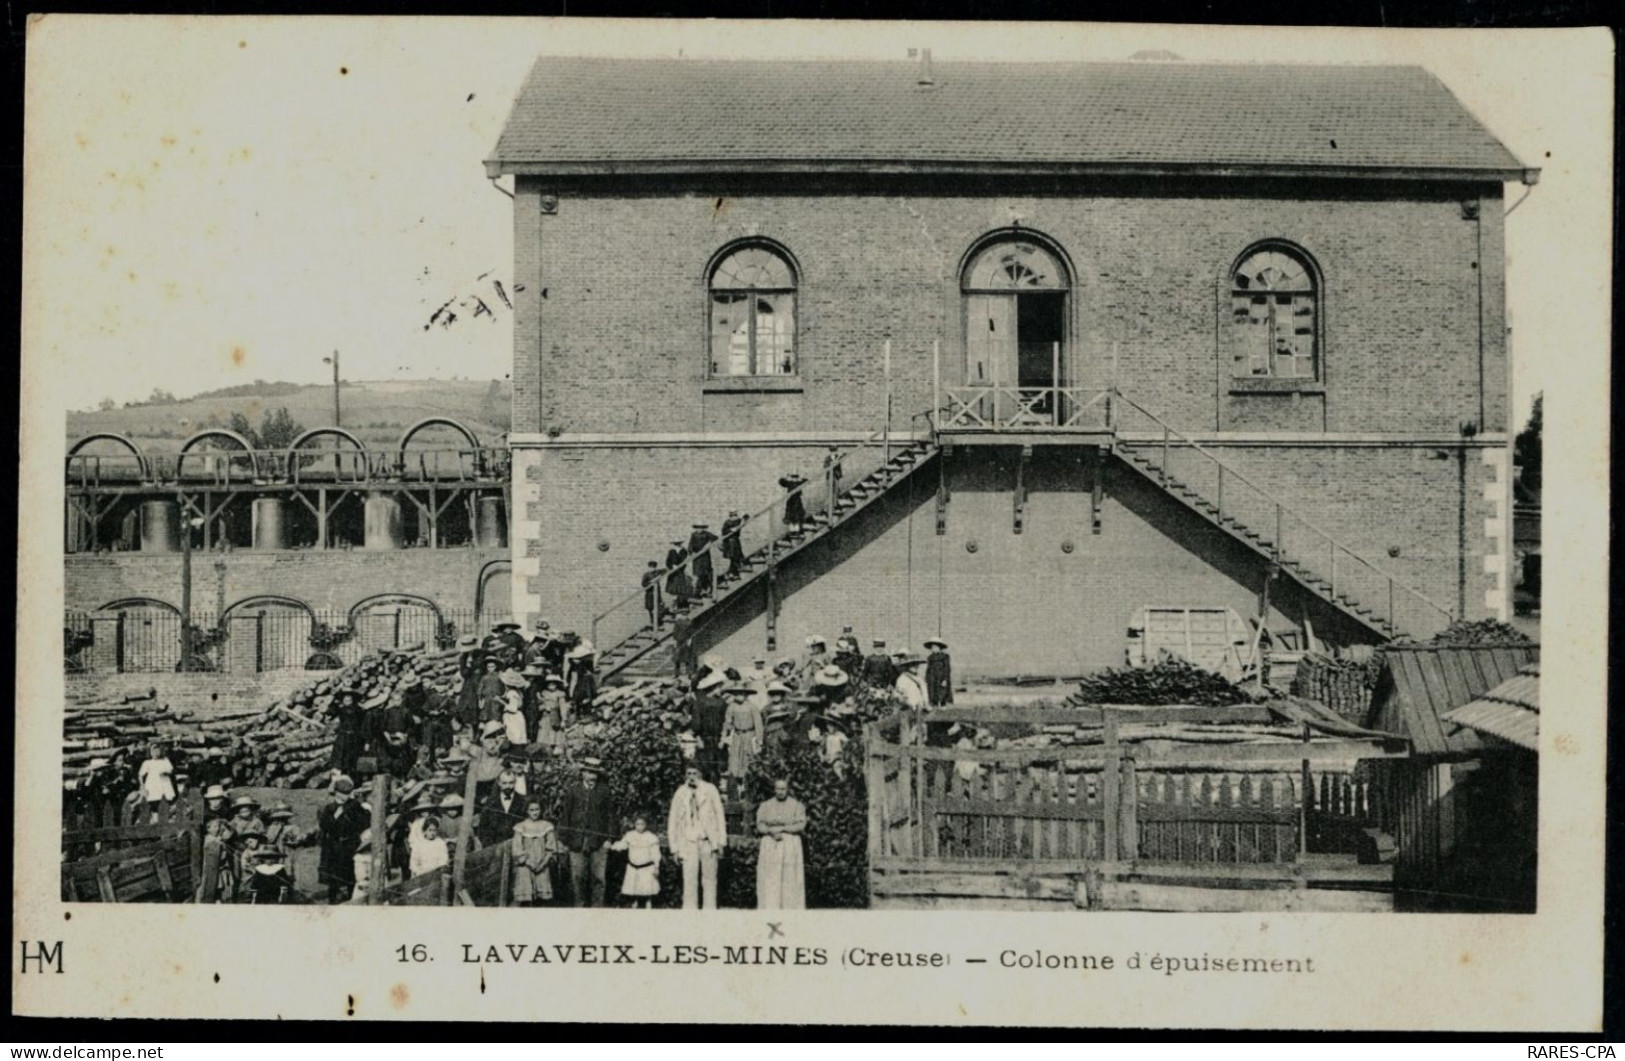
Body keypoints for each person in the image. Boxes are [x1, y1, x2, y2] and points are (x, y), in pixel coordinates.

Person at [667, 764, 727, 910]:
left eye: (695, 773)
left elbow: (720, 815)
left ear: (700, 774)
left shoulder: (710, 790)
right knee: (689, 879)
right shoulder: (680, 793)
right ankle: (689, 913)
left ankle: (709, 912)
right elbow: (673, 820)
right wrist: (674, 848)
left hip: (707, 840)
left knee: (710, 879)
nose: (691, 777)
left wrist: (720, 842)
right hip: (688, 841)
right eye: (689, 773)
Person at [556, 760, 616, 907]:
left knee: (598, 878)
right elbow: (566, 816)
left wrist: (609, 839)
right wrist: (562, 840)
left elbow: (611, 817)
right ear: (582, 773)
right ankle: (579, 907)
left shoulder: (604, 791)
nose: (591, 775)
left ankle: (597, 908)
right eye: (588, 772)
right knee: (577, 877)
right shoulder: (573, 790)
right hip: (576, 841)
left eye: (594, 772)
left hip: (598, 841)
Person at [755, 778, 808, 910]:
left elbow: (801, 824)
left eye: (783, 789)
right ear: (774, 789)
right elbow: (760, 824)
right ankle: (770, 907)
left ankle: (790, 908)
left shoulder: (796, 805)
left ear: (787, 789)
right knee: (771, 877)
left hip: (789, 844)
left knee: (789, 878)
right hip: (770, 843)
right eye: (778, 789)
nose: (780, 792)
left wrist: (783, 829)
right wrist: (770, 832)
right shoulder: (766, 805)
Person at [317, 776, 369, 904]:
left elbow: (365, 821)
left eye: (347, 793)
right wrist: (335, 816)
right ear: (336, 792)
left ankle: (352, 899)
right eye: (342, 793)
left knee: (351, 874)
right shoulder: (328, 807)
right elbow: (324, 826)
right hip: (333, 846)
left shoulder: (355, 805)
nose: (345, 796)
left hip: (350, 845)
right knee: (333, 878)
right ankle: (332, 901)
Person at [510, 798, 560, 907]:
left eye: (537, 809)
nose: (534, 812)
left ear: (541, 810)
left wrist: (543, 863)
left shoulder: (547, 826)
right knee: (526, 897)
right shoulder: (520, 827)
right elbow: (517, 848)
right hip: (526, 865)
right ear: (527, 811)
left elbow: (551, 847)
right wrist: (528, 862)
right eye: (531, 810)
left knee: (542, 898)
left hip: (542, 864)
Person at [611, 812, 663, 909]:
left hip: (646, 868)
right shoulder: (630, 835)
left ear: (646, 825)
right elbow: (622, 845)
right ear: (634, 825)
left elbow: (656, 854)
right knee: (634, 890)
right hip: (633, 867)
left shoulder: (651, 837)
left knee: (647, 890)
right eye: (637, 824)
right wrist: (613, 846)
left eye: (642, 824)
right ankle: (634, 904)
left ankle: (648, 904)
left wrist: (656, 867)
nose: (640, 827)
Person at [721, 683, 765, 793]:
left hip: (749, 736)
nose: (739, 696)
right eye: (736, 694)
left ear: (746, 695)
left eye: (741, 694)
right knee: (735, 759)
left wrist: (759, 740)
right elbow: (727, 722)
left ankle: (747, 785)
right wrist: (723, 737)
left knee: (747, 759)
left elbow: (758, 724)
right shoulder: (731, 706)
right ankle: (735, 786)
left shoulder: (752, 707)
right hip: (737, 736)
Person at [690, 670, 729, 783]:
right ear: (713, 688)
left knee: (707, 765)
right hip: (711, 738)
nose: (720, 690)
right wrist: (723, 737)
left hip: (708, 738)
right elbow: (697, 723)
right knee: (714, 766)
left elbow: (696, 723)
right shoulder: (720, 702)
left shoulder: (700, 702)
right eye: (719, 688)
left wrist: (698, 738)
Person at [475, 770, 527, 849]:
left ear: (515, 782)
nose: (508, 786)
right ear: (499, 783)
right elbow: (483, 830)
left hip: (519, 848)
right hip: (495, 849)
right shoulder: (490, 802)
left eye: (511, 783)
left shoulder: (523, 801)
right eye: (504, 783)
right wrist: (492, 847)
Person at [327, 688, 367, 780]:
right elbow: (330, 711)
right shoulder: (340, 709)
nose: (347, 701)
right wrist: (334, 700)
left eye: (349, 699)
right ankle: (337, 779)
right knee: (339, 756)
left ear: (352, 700)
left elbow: (363, 724)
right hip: (343, 736)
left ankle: (353, 779)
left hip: (354, 737)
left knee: (353, 757)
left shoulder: (359, 710)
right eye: (345, 699)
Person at [137, 742, 176, 823]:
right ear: (150, 752)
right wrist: (142, 786)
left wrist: (166, 773)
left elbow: (170, 770)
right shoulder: (147, 762)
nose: (155, 753)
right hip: (152, 784)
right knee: (153, 801)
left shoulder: (165, 760)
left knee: (165, 801)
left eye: (157, 750)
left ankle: (164, 818)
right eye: (153, 751)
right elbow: (140, 775)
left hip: (163, 783)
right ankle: (155, 819)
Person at [455, 636, 485, 730]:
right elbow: (463, 673)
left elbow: (481, 669)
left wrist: (473, 666)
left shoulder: (481, 655)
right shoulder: (463, 657)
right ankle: (468, 726)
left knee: (478, 705)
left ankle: (477, 730)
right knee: (466, 704)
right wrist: (468, 667)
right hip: (469, 683)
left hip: (478, 681)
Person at [565, 640, 598, 718]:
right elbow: (573, 680)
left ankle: (584, 711)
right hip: (579, 687)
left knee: (584, 700)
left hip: (583, 685)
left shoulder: (583, 665)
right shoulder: (574, 667)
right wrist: (571, 693)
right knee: (580, 701)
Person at [498, 669, 529, 746]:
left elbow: (513, 708)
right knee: (515, 735)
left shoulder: (512, 693)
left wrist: (500, 701)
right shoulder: (517, 692)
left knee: (514, 735)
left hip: (513, 717)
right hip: (516, 716)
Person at [687, 523, 719, 599]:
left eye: (701, 527)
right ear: (696, 528)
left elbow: (716, 538)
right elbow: (690, 545)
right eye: (698, 528)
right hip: (697, 557)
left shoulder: (707, 534)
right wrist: (691, 552)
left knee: (707, 573)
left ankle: (707, 590)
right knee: (699, 574)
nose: (699, 529)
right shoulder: (693, 535)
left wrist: (709, 544)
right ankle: (698, 593)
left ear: (703, 528)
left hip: (705, 557)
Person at [923, 637, 955, 707]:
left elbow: (947, 668)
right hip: (932, 678)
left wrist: (945, 679)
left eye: (935, 647)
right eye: (932, 647)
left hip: (941, 678)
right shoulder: (930, 657)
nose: (933, 649)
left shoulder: (945, 657)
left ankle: (943, 705)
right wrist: (926, 678)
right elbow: (928, 668)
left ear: (939, 647)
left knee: (942, 692)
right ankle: (934, 704)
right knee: (932, 692)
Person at [719, 510, 747, 583]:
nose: (734, 517)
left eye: (735, 515)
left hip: (736, 541)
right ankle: (733, 573)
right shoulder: (727, 522)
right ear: (730, 516)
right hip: (729, 542)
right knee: (733, 557)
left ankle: (733, 573)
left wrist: (743, 520)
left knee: (736, 557)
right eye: (732, 516)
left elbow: (746, 517)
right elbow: (723, 531)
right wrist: (731, 530)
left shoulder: (738, 521)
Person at [664, 540, 693, 609]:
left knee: (680, 590)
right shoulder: (671, 551)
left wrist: (679, 567)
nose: (677, 545)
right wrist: (671, 566)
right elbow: (668, 561)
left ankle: (680, 605)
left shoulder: (683, 551)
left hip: (680, 572)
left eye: (678, 543)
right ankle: (674, 605)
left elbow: (684, 562)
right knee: (673, 590)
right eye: (675, 544)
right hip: (673, 573)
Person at [476, 657, 506, 725]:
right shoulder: (484, 677)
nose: (490, 668)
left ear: (495, 667)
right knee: (486, 716)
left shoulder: (500, 676)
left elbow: (503, 687)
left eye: (492, 666)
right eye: (488, 667)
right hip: (487, 699)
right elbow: (480, 689)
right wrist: (480, 699)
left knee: (496, 715)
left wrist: (502, 696)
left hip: (496, 699)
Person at [672, 614, 698, 681]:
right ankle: (689, 674)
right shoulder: (689, 622)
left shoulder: (677, 622)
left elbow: (675, 632)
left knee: (678, 659)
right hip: (685, 641)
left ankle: (677, 674)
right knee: (687, 658)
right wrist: (690, 639)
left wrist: (675, 640)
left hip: (680, 641)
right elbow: (691, 632)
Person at [641, 560, 663, 626]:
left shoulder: (657, 573)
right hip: (649, 594)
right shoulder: (646, 574)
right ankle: (652, 621)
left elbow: (665, 570)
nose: (652, 568)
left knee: (658, 607)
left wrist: (660, 576)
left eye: (654, 567)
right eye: (651, 567)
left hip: (657, 593)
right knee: (650, 608)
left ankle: (658, 621)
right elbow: (644, 584)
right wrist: (651, 582)